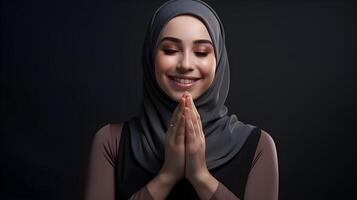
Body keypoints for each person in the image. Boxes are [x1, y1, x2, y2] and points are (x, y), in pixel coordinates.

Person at [85, 0, 279, 199]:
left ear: (218, 59)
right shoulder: (111, 141)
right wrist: (167, 176)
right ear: (151, 55)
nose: (186, 64)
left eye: (201, 52)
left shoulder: (258, 145)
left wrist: (201, 177)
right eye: (170, 50)